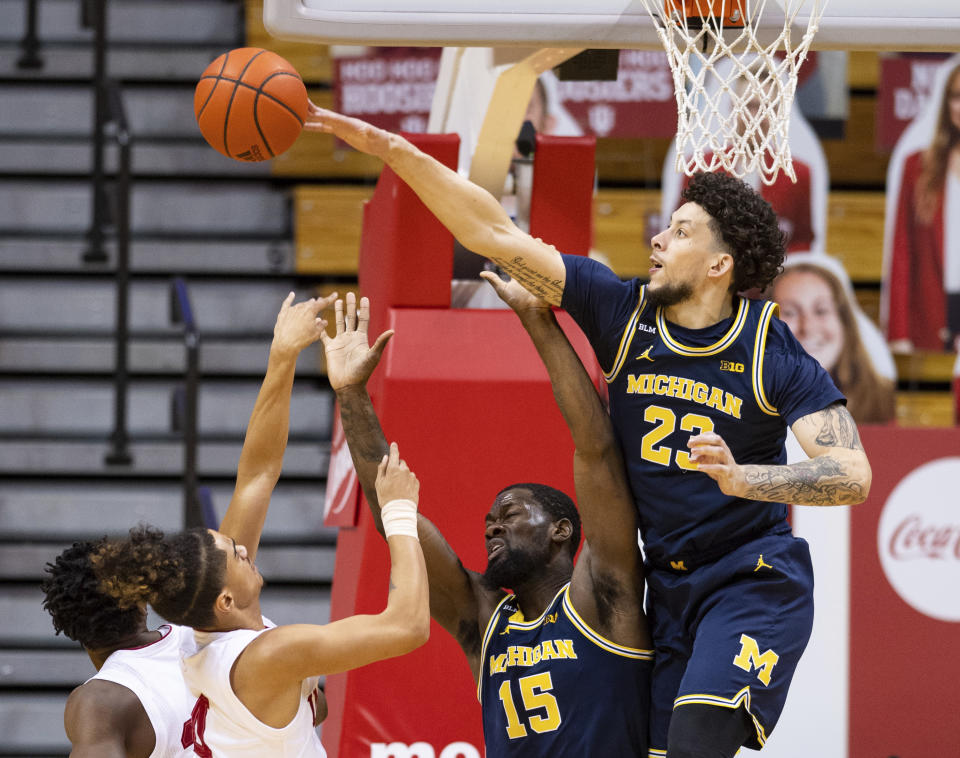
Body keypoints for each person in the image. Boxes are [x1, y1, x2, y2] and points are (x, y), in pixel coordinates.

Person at [303, 109, 873, 758]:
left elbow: (852, 476)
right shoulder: (621, 311)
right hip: (673, 585)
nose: (658, 240)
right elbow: (491, 230)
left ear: (720, 264)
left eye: (680, 232)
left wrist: (747, 478)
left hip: (750, 574)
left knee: (694, 743)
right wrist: (394, 149)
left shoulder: (770, 350)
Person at [87, 293, 430, 757]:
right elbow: (408, 626)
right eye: (235, 554)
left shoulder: (207, 626)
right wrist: (399, 512)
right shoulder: (268, 655)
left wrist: (282, 356)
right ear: (226, 599)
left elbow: (256, 477)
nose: (244, 548)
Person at [323, 290, 652, 756]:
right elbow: (393, 515)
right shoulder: (487, 618)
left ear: (562, 530)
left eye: (510, 515)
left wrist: (539, 322)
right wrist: (352, 394)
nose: (492, 528)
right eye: (489, 521)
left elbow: (595, 450)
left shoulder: (600, 595)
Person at [39, 292, 338, 758]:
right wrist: (281, 358)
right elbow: (256, 478)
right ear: (141, 595)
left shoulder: (105, 700)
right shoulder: (206, 624)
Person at [884, 57, 960, 353]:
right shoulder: (917, 166)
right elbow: (902, 253)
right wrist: (899, 333)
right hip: (932, 310)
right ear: (945, 104)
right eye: (956, 96)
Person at [770, 255, 896, 424]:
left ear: (845, 323)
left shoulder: (878, 402)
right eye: (790, 312)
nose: (807, 327)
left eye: (821, 311)